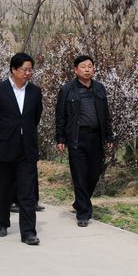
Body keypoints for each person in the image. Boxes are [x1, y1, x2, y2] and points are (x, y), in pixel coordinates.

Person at [0, 52, 43, 245]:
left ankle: (28, 232)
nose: (28, 73)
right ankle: (2, 222)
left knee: (27, 192)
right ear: (13, 69)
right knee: (4, 188)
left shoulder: (35, 92)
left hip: (27, 149)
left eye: (30, 70)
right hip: (4, 147)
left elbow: (35, 117)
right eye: (24, 69)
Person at [55, 55, 114, 227]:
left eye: (90, 66)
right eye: (83, 66)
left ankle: (80, 201)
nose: (87, 69)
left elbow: (106, 115)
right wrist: (60, 138)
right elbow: (60, 116)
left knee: (95, 172)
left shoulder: (99, 88)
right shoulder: (67, 90)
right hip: (77, 137)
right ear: (76, 70)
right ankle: (83, 213)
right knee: (79, 175)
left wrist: (109, 136)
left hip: (96, 137)